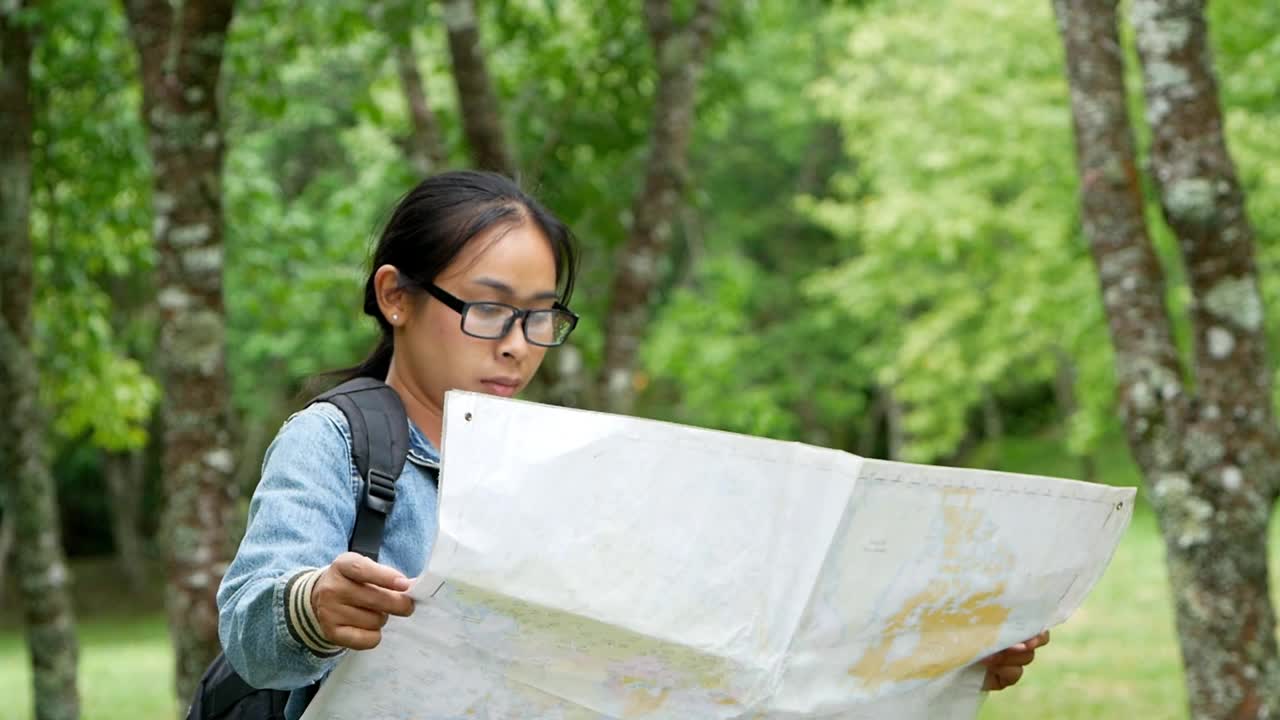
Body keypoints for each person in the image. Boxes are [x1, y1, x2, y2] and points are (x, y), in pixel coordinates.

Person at [215, 170, 1047, 720]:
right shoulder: (334, 441)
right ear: (395, 296)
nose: (518, 344)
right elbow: (250, 629)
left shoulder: (561, 462)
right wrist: (314, 605)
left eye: (542, 315)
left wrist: (944, 656)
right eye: (490, 308)